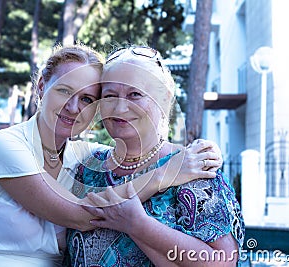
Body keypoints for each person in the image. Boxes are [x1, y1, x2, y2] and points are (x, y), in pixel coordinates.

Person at [0, 44, 223, 267]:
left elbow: (140, 155)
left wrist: (197, 153)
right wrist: (166, 174)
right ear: (40, 86)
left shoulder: (85, 157)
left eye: (86, 99)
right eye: (63, 91)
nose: (73, 107)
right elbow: (82, 217)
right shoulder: (5, 146)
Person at [66, 45, 245, 266]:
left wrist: (139, 225)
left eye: (135, 94)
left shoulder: (194, 169)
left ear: (164, 98)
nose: (120, 108)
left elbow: (223, 261)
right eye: (110, 96)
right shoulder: (88, 168)